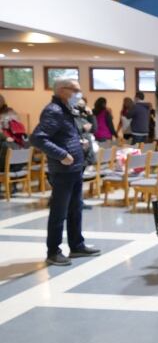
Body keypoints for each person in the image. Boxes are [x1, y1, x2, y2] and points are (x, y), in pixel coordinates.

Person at [30, 78, 101, 266]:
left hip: (75, 168)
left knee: (75, 209)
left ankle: (77, 245)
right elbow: (37, 138)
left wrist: (78, 142)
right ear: (62, 90)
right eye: (75, 90)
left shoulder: (66, 110)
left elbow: (65, 134)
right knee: (59, 212)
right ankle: (53, 251)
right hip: (62, 170)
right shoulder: (53, 111)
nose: (79, 94)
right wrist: (62, 154)